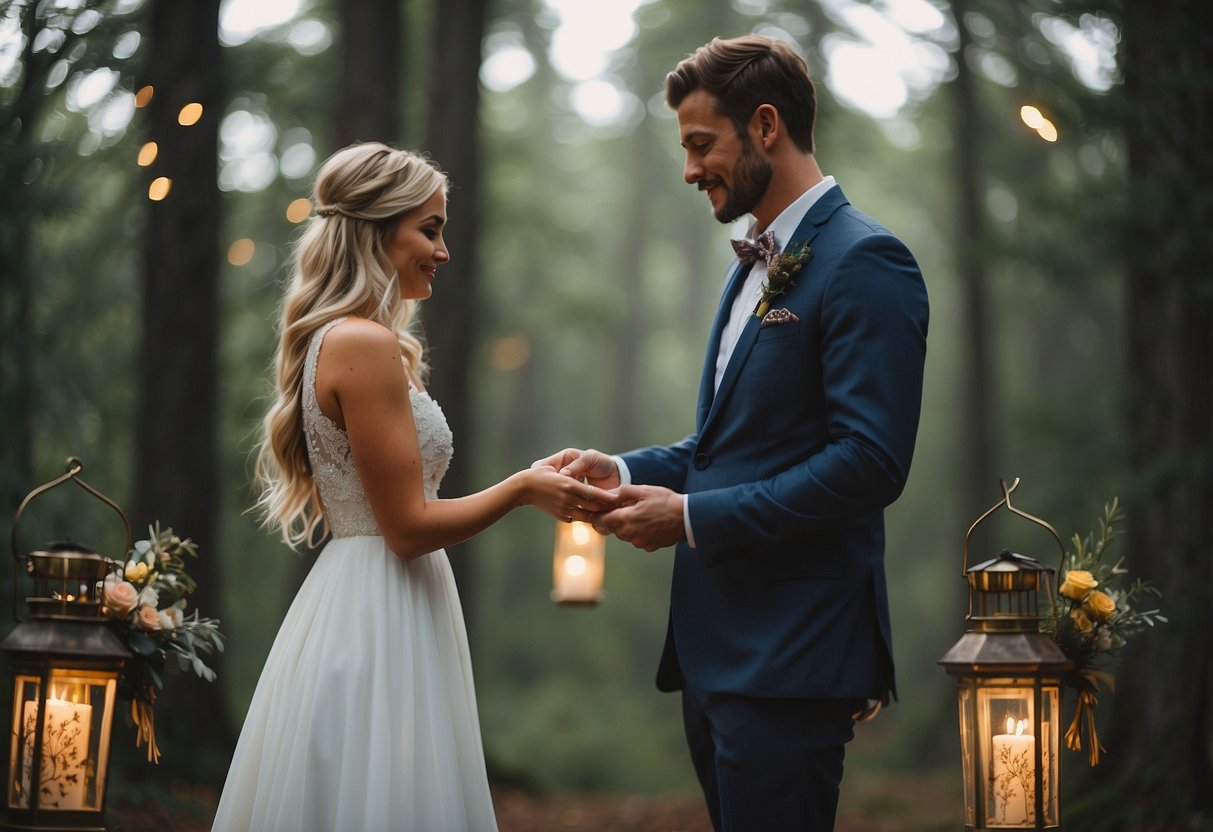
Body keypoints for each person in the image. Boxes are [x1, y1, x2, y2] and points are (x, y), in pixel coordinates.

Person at [535, 35, 929, 832]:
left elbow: (869, 463)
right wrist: (617, 467)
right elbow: (727, 448)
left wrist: (688, 518)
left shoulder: (866, 261)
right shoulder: (747, 266)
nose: (689, 170)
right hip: (715, 651)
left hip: (793, 655)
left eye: (700, 144)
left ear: (766, 125)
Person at [212, 142, 614, 831]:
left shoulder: (358, 340)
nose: (443, 250)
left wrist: (528, 480)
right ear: (375, 229)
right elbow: (403, 527)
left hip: (381, 595)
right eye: (429, 229)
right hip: (376, 607)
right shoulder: (361, 344)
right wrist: (521, 488)